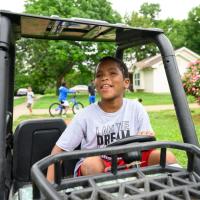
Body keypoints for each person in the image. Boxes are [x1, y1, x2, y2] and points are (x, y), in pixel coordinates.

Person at [47, 56, 176, 182]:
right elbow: (59, 150)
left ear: (126, 83)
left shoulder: (136, 108)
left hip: (131, 160)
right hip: (100, 164)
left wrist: (146, 137)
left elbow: (146, 144)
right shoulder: (84, 115)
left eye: (112, 73)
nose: (104, 78)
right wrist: (48, 187)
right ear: (95, 84)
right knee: (92, 165)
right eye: (99, 75)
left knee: (166, 157)